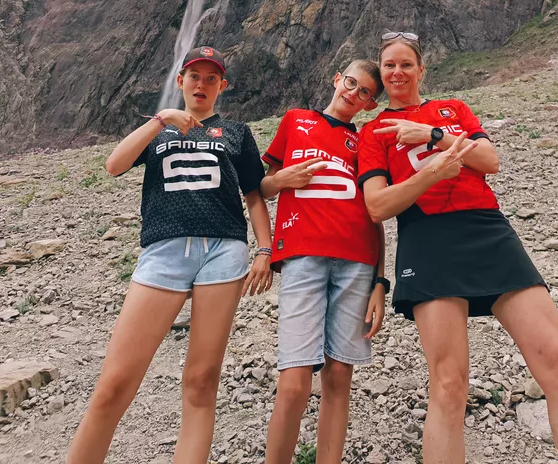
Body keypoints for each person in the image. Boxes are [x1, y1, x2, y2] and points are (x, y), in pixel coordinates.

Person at [358, 32, 558, 464]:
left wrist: (431, 135)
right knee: (450, 386)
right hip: (426, 238)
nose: (397, 72)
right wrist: (432, 174)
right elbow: (377, 206)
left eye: (406, 64)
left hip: (487, 229)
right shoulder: (374, 132)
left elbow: (490, 160)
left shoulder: (452, 110)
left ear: (421, 70)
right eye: (389, 66)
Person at [67, 46, 273, 464]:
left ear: (221, 86)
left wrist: (265, 251)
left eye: (210, 78)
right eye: (194, 76)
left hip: (223, 251)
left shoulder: (236, 132)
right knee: (115, 382)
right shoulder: (157, 130)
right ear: (180, 81)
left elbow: (254, 194)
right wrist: (161, 119)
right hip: (163, 250)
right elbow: (113, 164)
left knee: (201, 382)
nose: (201, 84)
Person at [261, 60, 389, 464]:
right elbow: (261, 187)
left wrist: (380, 283)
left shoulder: (366, 139)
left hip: (357, 264)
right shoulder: (295, 120)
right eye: (351, 83)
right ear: (337, 79)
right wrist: (282, 182)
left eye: (365, 92)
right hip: (302, 260)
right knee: (294, 382)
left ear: (369, 104)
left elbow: (376, 210)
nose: (353, 93)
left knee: (338, 377)